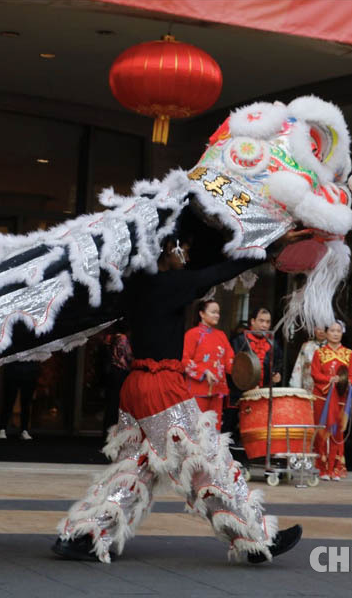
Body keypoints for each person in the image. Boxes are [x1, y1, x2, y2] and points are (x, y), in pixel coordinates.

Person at [53, 230, 308, 565]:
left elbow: (205, 270)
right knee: (205, 462)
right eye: (181, 248)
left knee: (136, 468)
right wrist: (269, 247)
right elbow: (217, 272)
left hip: (136, 386)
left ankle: (85, 536)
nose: (184, 254)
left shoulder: (136, 285)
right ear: (165, 250)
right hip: (162, 387)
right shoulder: (168, 285)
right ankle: (257, 538)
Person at [225, 308, 284, 437]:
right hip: (240, 394)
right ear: (252, 321)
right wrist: (248, 384)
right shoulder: (239, 341)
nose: (264, 325)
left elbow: (278, 363)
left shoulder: (273, 344)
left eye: (267, 322)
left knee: (258, 431)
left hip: (262, 395)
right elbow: (233, 368)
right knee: (233, 432)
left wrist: (276, 374)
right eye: (261, 321)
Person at [310, 321, 352, 481]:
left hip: (341, 397)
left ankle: (335, 467)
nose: (336, 334)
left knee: (338, 431)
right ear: (326, 333)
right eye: (332, 330)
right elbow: (315, 374)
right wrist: (330, 380)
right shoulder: (319, 353)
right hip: (322, 397)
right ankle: (321, 467)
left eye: (339, 331)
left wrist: (345, 382)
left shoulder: (349, 353)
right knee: (322, 430)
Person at [183, 299, 234, 430]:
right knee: (196, 429)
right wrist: (204, 372)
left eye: (218, 312)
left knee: (214, 430)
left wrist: (244, 371)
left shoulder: (221, 335)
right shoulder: (192, 334)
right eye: (213, 312)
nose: (217, 315)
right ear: (202, 314)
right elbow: (184, 360)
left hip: (217, 390)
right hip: (197, 390)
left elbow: (230, 361)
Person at [0, 360, 39, 440]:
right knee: (8, 402)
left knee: (26, 404)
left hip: (29, 372)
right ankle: (2, 429)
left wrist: (35, 370)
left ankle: (24, 430)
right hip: (13, 370)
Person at [289, 326, 326, 392]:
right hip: (308, 385)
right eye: (319, 328)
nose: (321, 332)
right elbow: (299, 365)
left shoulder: (332, 347)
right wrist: (296, 387)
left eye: (324, 329)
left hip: (326, 386)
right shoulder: (306, 346)